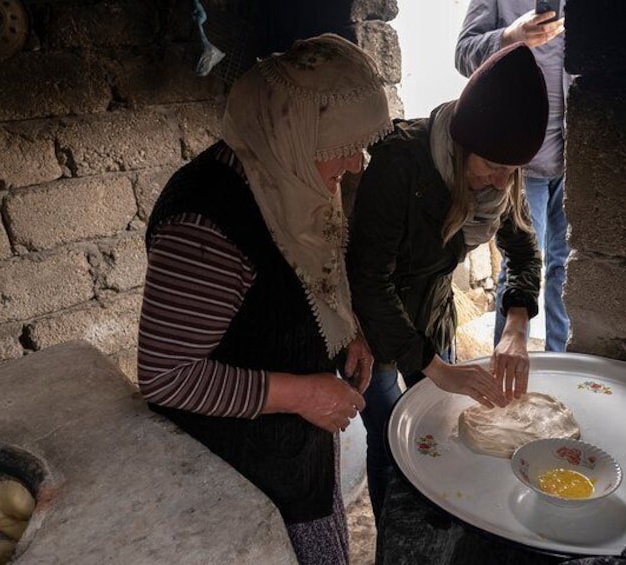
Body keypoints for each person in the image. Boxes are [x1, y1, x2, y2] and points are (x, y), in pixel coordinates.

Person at [136, 34, 392, 564]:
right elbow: (165, 375)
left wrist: (349, 334)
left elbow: (310, 276)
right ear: (291, 127)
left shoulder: (288, 179)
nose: (353, 162)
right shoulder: (204, 225)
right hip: (244, 471)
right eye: (340, 145)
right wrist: (304, 395)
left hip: (295, 451)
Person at [347, 43, 548, 524]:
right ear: (461, 144)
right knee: (390, 429)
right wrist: (437, 369)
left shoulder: (502, 174)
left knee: (439, 429)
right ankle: (394, 536)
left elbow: (522, 248)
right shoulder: (400, 165)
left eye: (512, 171)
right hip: (370, 324)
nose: (503, 183)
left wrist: (516, 327)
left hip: (432, 310)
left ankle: (438, 527)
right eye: (494, 168)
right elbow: (370, 280)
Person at [455, 0, 571, 352]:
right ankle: (504, 365)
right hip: (520, 167)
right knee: (519, 261)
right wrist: (510, 36)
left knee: (565, 271)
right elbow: (463, 54)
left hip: (575, 160)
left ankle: (559, 364)